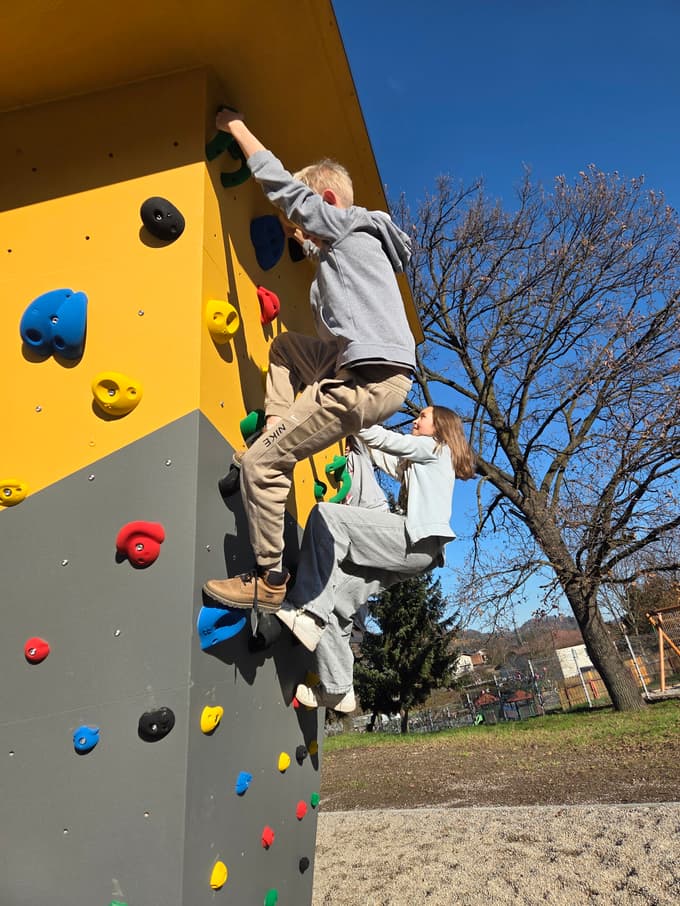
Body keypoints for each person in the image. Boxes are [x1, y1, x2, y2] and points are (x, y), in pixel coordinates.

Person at [203, 108, 416, 610]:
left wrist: (235, 126)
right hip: (367, 365)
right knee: (286, 349)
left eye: (304, 227)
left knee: (261, 465)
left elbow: (283, 190)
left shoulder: (345, 225)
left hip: (365, 378)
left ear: (326, 204)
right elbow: (328, 315)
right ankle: (274, 423)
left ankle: (267, 577)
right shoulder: (359, 254)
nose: (303, 237)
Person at [277, 405, 476, 712]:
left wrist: (351, 414)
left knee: (327, 518)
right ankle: (338, 689)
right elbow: (385, 455)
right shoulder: (422, 461)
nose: (415, 420)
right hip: (418, 555)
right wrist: (357, 437)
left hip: (414, 541)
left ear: (439, 427)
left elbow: (386, 440)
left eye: (423, 417)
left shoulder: (434, 448)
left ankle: (308, 611)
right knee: (337, 603)